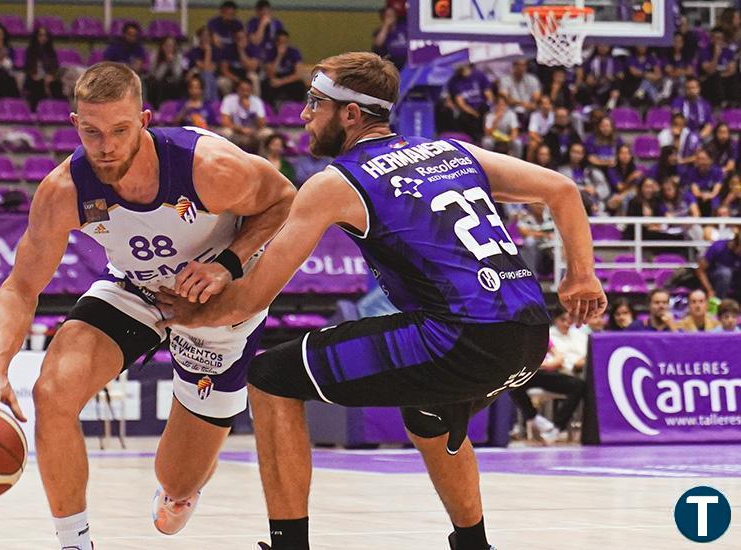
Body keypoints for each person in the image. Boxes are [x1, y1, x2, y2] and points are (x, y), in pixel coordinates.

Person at [155, 52, 604, 550]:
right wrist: (580, 276)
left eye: (314, 103)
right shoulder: (455, 152)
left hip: (458, 335)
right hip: (528, 334)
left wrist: (183, 314)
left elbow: (251, 298)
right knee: (429, 414)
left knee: (271, 379)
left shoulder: (335, 182)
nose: (303, 114)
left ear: (349, 114)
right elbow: (563, 189)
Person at [0, 62, 294, 550]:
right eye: (92, 132)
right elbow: (20, 287)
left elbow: (285, 202)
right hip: (136, 287)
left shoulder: (209, 167)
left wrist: (229, 266)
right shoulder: (63, 191)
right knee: (52, 392)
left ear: (145, 120)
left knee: (175, 484)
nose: (106, 146)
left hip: (217, 300)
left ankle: (182, 489)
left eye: (119, 130)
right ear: (74, 124)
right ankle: (75, 543)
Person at [509, 308, 586, 444]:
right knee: (513, 382)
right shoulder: (547, 334)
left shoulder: (580, 336)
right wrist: (545, 364)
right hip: (539, 372)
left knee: (579, 386)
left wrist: (558, 362)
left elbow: (559, 358)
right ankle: (535, 418)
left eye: (569, 319)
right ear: (555, 320)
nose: (567, 323)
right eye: (563, 319)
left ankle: (556, 428)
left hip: (564, 373)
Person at [218, 79, 272, 153]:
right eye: (242, 90)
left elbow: (262, 124)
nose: (245, 92)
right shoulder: (229, 100)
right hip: (236, 132)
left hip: (253, 133)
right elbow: (225, 122)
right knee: (226, 132)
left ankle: (263, 159)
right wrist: (240, 129)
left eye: (248, 90)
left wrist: (250, 109)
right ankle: (229, 156)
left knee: (267, 133)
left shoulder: (256, 101)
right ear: (237, 89)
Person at [24, 25, 66, 110]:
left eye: (45, 35)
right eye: (40, 35)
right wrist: (36, 76)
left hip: (49, 79)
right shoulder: (30, 51)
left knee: (57, 85)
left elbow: (55, 69)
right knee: (38, 85)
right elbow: (28, 69)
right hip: (34, 79)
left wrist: (51, 77)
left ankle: (60, 111)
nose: (43, 38)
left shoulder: (51, 53)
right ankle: (37, 111)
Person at [263, 30, 304, 105]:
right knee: (266, 86)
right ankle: (271, 110)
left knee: (299, 86)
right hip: (275, 77)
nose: (283, 45)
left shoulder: (294, 52)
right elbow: (270, 73)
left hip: (288, 78)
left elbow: (298, 74)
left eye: (285, 42)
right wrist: (279, 56)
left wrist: (281, 82)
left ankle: (297, 108)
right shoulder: (270, 52)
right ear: (276, 42)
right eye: (281, 42)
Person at [696, 232, 741, 301]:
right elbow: (700, 271)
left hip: (734, 281)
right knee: (725, 273)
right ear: (736, 244)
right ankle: (719, 302)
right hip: (714, 279)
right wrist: (709, 290)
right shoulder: (718, 247)